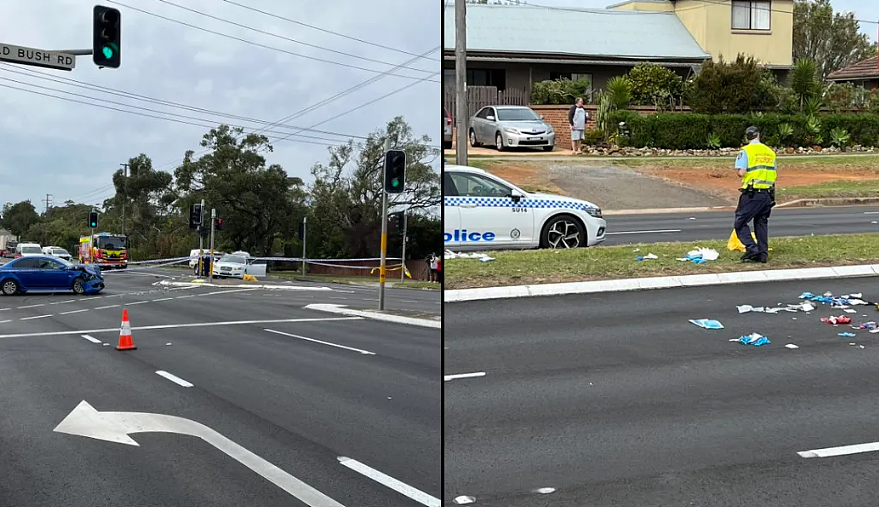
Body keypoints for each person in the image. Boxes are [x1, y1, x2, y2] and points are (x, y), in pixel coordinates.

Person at [733, 126, 777, 263]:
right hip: (768, 193)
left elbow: (741, 172)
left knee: (740, 222)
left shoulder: (746, 151)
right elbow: (774, 171)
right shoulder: (770, 152)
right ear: (759, 135)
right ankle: (763, 254)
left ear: (747, 137)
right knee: (761, 222)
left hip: (752, 192)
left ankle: (752, 249)